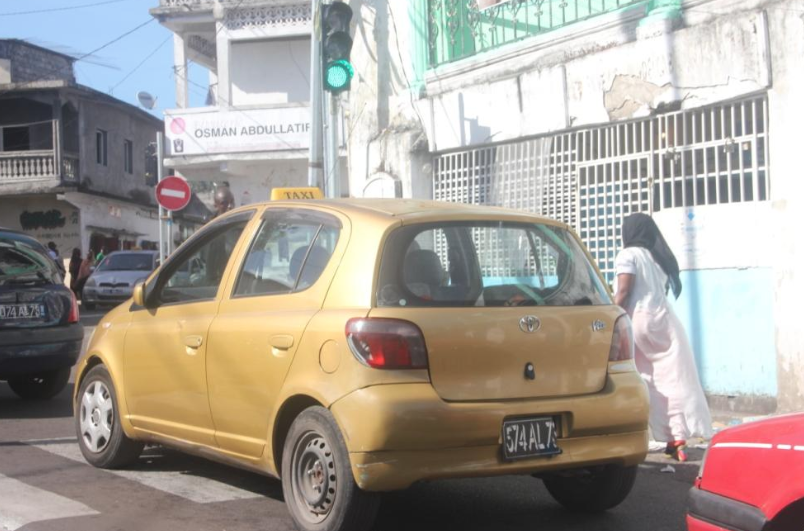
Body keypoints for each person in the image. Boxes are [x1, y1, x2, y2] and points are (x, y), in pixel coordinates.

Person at [613, 213, 712, 462]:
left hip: (639, 321)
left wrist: (610, 315)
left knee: (650, 381)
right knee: (676, 379)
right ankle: (677, 439)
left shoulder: (628, 255)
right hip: (666, 322)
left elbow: (624, 291)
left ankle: (661, 434)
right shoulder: (656, 259)